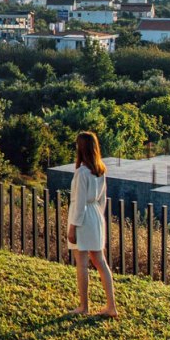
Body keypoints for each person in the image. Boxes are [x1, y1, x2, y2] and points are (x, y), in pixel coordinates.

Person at [67, 130, 118, 318]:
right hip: (96, 215)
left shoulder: (82, 173)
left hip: (83, 217)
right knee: (100, 261)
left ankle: (84, 306)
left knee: (82, 262)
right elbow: (102, 199)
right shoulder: (100, 170)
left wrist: (73, 226)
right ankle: (111, 306)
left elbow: (79, 203)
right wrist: (97, 217)